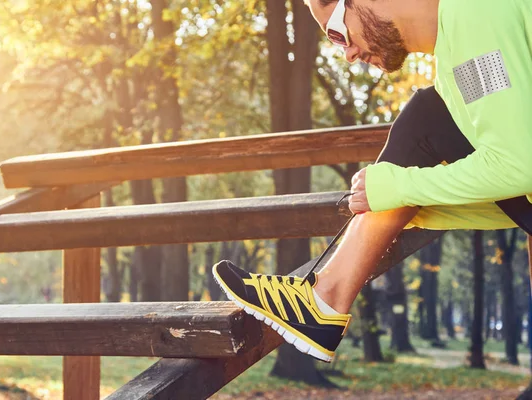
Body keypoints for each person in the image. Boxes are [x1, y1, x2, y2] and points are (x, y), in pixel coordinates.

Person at [213, 0, 532, 362]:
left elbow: (517, 167)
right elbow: (514, 164)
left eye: (337, 32)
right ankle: (324, 298)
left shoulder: (475, 12)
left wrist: (401, 188)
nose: (347, 53)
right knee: (429, 115)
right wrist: (405, 198)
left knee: (427, 118)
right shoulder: (458, 56)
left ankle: (325, 300)